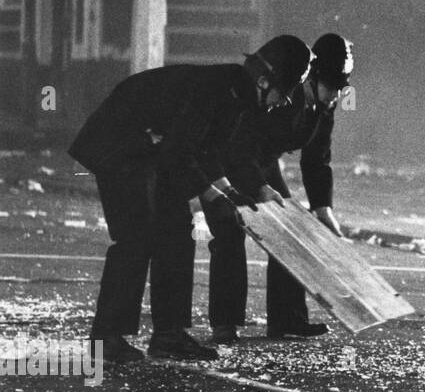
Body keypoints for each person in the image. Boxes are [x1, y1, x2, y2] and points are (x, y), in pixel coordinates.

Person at [70, 36, 314, 363]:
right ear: (264, 80)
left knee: (176, 230)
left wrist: (244, 192)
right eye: (284, 92)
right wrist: (214, 194)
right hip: (121, 143)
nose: (284, 102)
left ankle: (169, 335)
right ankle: (107, 338)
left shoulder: (237, 96)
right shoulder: (216, 91)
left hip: (152, 147)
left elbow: (208, 150)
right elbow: (180, 153)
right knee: (136, 236)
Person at [207, 33, 354, 344]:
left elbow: (317, 158)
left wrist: (322, 207)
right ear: (311, 78)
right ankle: (225, 322)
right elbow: (239, 148)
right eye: (330, 88)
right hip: (229, 156)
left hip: (263, 159)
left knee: (288, 227)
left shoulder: (325, 103)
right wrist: (259, 189)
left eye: (341, 90)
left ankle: (287, 319)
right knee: (230, 227)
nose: (334, 97)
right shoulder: (284, 90)